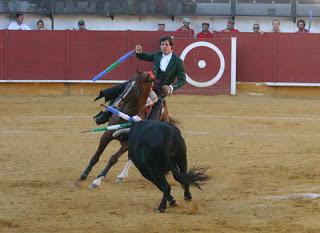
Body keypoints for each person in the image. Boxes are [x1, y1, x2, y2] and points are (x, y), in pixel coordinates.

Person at [135, 36, 186, 120]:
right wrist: (139, 52)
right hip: (151, 83)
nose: (164, 47)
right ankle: (108, 110)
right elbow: (144, 56)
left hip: (162, 88)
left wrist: (171, 87)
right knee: (131, 88)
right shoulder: (157, 55)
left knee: (157, 102)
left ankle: (151, 123)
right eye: (162, 44)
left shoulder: (178, 62)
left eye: (166, 45)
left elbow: (183, 80)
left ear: (171, 47)